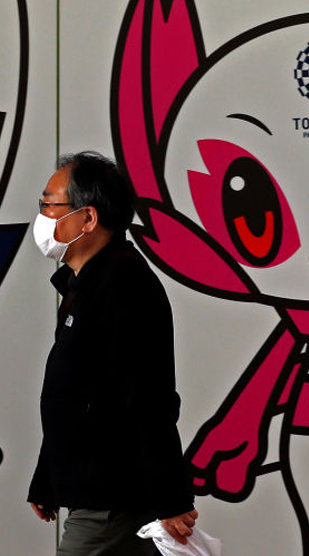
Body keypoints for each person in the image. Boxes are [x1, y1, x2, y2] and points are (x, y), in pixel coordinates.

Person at [28, 151, 198, 555]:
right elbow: (73, 393)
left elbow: (148, 396)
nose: (42, 217)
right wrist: (48, 476)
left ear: (88, 218)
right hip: (92, 492)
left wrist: (171, 498)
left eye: (49, 205)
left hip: (112, 497)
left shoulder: (123, 287)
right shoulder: (84, 283)